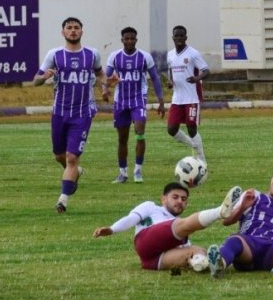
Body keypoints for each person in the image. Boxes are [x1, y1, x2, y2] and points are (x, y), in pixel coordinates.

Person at [34, 17, 105, 214]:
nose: (73, 31)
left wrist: (108, 83)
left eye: (76, 28)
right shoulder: (55, 55)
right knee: (60, 156)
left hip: (82, 114)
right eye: (69, 28)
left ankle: (62, 200)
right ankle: (76, 173)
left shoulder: (92, 54)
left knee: (72, 157)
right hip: (59, 113)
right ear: (63, 32)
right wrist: (43, 77)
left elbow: (100, 75)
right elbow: (35, 81)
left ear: (82, 32)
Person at [93, 183, 243, 271]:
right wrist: (112, 229)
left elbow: (184, 248)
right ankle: (220, 212)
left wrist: (194, 257)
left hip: (152, 261)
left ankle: (209, 266)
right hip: (145, 241)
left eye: (183, 199)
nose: (179, 201)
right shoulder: (151, 207)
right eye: (175, 197)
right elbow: (131, 218)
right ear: (163, 198)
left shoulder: (179, 225)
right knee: (182, 225)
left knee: (198, 250)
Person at [102, 26, 166, 184]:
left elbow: (155, 78)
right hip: (121, 101)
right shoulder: (115, 56)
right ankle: (122, 173)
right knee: (122, 139)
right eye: (127, 38)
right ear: (122, 40)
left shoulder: (145, 57)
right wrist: (105, 90)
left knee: (140, 132)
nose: (130, 41)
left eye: (132, 38)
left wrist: (161, 100)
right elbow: (106, 75)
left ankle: (138, 170)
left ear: (136, 40)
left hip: (138, 100)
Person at [166, 25, 209, 162]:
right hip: (177, 98)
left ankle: (201, 159)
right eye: (176, 36)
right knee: (171, 129)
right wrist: (170, 82)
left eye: (181, 36)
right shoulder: (170, 55)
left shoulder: (193, 53)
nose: (179, 38)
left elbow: (207, 71)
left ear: (186, 37)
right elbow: (171, 74)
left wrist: (196, 78)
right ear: (173, 38)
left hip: (191, 97)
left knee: (191, 127)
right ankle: (194, 146)